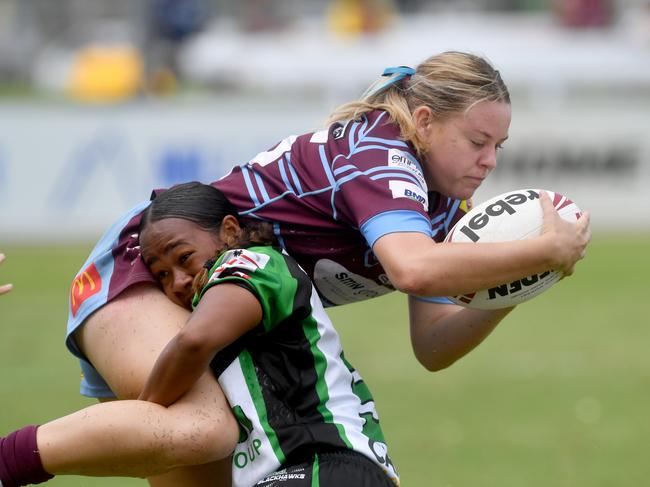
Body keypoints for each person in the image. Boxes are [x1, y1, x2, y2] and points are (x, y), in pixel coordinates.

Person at [7, 51, 591, 486]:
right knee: (204, 430)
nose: (489, 162)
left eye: (500, 147)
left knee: (202, 455)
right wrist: (542, 250)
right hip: (155, 259)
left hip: (214, 303)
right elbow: (413, 268)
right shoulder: (379, 153)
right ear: (425, 120)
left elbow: (433, 346)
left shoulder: (441, 207)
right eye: (477, 141)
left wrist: (512, 285)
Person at [0, 182, 398, 487]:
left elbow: (193, 342)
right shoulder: (210, 292)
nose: (177, 280)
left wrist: (147, 411)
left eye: (183, 257)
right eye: (160, 274)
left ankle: (9, 462)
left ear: (228, 231)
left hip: (324, 463)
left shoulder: (253, 263)